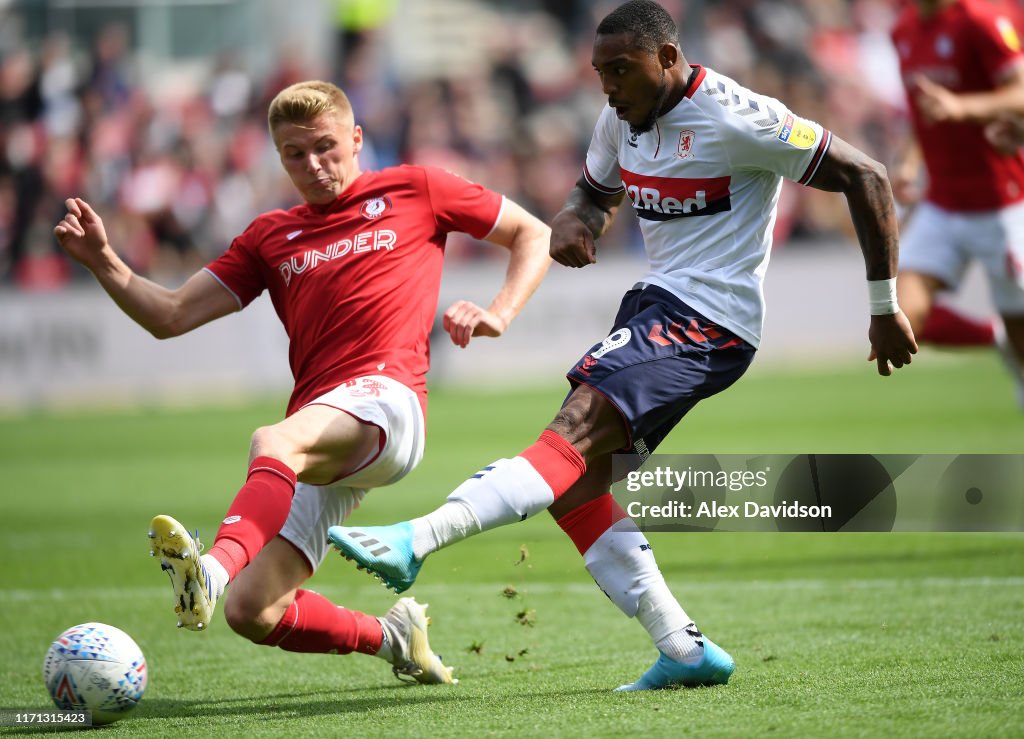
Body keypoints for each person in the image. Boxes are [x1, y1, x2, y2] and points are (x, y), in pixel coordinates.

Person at [327, 0, 917, 692]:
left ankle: (416, 539)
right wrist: (575, 224)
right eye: (600, 71)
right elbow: (590, 198)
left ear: (668, 58)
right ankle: (684, 648)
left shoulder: (737, 116)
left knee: (569, 432)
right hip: (657, 305)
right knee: (576, 483)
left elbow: (867, 174)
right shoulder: (620, 118)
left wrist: (883, 306)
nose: (608, 85)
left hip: (710, 320)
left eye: (622, 69)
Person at [53, 80, 551, 684]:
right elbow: (171, 314)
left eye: (326, 147)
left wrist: (498, 310)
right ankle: (392, 638)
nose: (313, 165)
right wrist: (105, 261)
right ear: (278, 155)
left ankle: (208, 572)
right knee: (253, 609)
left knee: (273, 441)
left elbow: (533, 233)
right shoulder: (269, 236)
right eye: (295, 153)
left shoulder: (415, 188)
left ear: (357, 139)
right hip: (327, 427)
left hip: (389, 404)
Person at [890, 0, 1024, 407]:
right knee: (896, 313)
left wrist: (963, 107)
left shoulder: (983, 20)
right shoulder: (904, 29)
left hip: (1003, 203)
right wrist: (912, 160)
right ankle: (992, 335)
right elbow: (924, 108)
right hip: (943, 203)